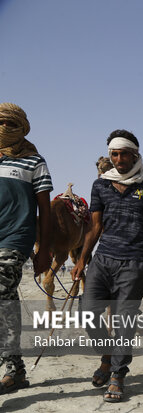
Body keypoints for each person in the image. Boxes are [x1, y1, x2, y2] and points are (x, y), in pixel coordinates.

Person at [71, 129, 143, 403]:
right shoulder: (100, 185)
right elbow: (95, 225)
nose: (118, 159)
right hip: (103, 260)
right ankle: (107, 355)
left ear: (135, 154)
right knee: (87, 311)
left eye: (123, 153)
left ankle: (117, 373)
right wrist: (82, 259)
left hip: (134, 261)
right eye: (114, 154)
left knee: (125, 320)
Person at [0, 103, 53, 394]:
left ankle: (10, 367)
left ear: (21, 128)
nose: (5, 129)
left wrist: (44, 249)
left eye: (11, 124)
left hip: (16, 237)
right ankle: (15, 367)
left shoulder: (34, 161)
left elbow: (44, 211)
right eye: (1, 123)